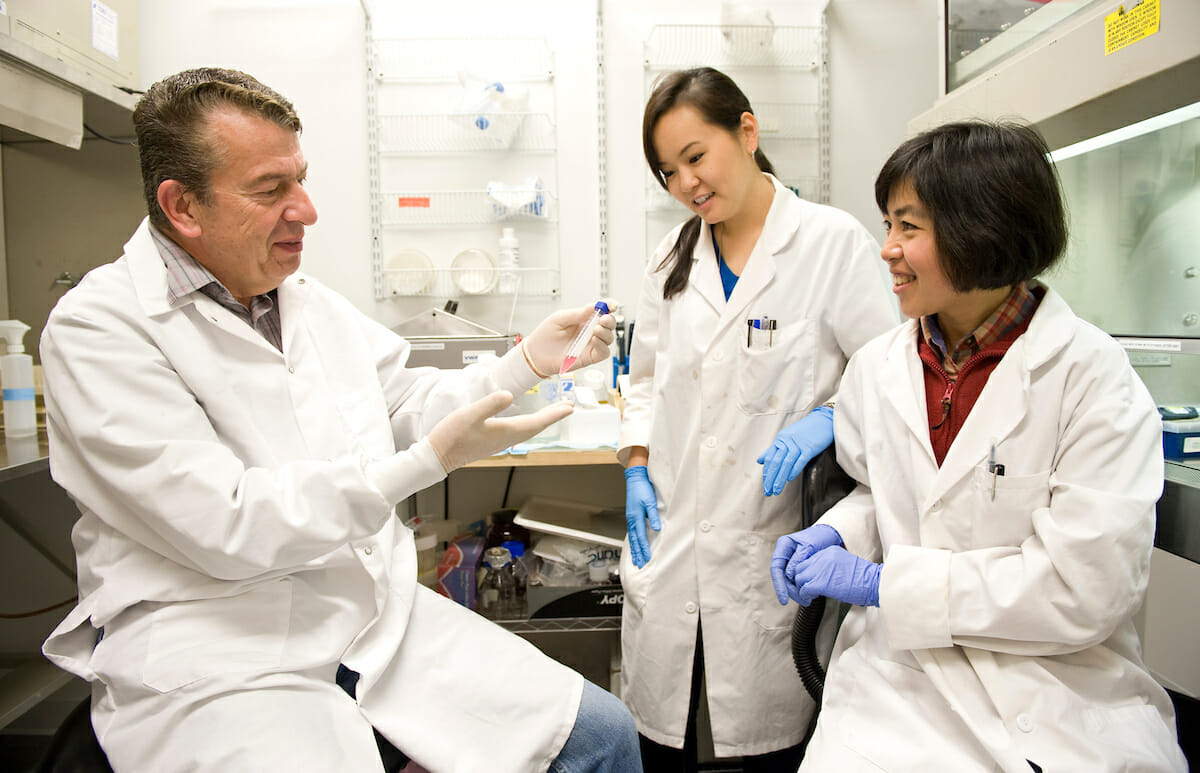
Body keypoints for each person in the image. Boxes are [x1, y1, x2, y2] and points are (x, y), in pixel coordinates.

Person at [39, 67, 641, 773]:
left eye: (301, 178)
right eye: (271, 189)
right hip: (222, 650)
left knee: (603, 737)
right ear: (183, 207)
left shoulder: (304, 302)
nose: (307, 209)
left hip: (375, 618)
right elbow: (228, 524)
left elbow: (406, 402)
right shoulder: (100, 330)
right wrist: (422, 464)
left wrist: (524, 365)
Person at [769, 120, 1189, 772]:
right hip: (900, 679)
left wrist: (884, 583)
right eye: (888, 225)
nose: (887, 250)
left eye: (908, 228)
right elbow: (877, 489)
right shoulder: (879, 367)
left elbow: (1085, 586)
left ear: (981, 229)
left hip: (1055, 684)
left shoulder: (1091, 378)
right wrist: (840, 535)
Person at [617, 67, 897, 772]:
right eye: (668, 170)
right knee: (663, 734)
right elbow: (643, 379)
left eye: (695, 156)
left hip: (771, 536)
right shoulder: (671, 258)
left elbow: (887, 373)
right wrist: (636, 465)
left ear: (747, 132)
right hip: (673, 532)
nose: (686, 183)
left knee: (776, 744)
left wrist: (831, 417)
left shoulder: (832, 243)